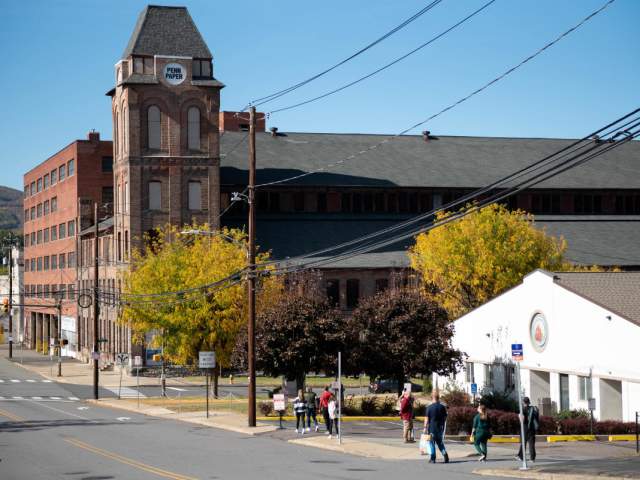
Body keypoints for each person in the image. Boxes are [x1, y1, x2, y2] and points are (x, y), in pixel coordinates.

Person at [423, 391, 449, 464]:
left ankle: (433, 458)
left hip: (432, 428)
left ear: (432, 398)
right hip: (440, 428)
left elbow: (426, 419)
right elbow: (445, 417)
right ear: (438, 398)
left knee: (431, 443)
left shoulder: (429, 408)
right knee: (440, 443)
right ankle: (445, 455)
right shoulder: (442, 407)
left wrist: (425, 428)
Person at [517, 397, 539, 463]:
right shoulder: (533, 409)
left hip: (525, 428)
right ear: (529, 402)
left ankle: (521, 456)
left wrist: (519, 416)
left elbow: (522, 420)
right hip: (532, 428)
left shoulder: (523, 410)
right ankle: (532, 458)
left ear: (523, 402)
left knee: (523, 443)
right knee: (531, 444)